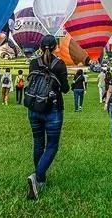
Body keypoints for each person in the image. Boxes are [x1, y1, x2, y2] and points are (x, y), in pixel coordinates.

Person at [26, 35, 69, 200]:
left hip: (34, 108)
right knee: (52, 145)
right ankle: (37, 176)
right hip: (53, 109)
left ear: (40, 46)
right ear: (55, 47)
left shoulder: (33, 62)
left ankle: (41, 181)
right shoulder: (59, 64)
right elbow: (64, 89)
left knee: (38, 143)